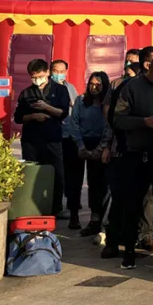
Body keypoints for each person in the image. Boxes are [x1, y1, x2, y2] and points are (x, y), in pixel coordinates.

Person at [111, 52, 153, 269]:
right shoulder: (132, 87)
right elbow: (118, 119)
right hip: (137, 154)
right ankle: (129, 251)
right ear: (150, 68)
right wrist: (143, 122)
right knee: (132, 205)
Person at [14, 58, 72, 217]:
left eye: (39, 76)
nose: (37, 80)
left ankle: (56, 208)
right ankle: (33, 207)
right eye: (33, 77)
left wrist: (46, 107)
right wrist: (33, 116)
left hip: (52, 138)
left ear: (47, 72)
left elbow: (63, 113)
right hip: (31, 141)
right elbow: (18, 118)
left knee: (56, 173)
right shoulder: (26, 93)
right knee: (31, 173)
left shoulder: (60, 90)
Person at [66, 72, 110, 238]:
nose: (94, 87)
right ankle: (74, 215)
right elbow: (74, 123)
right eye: (91, 84)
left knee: (97, 183)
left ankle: (96, 219)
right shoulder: (81, 100)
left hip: (99, 145)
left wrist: (101, 148)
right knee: (74, 180)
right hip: (80, 143)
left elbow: (109, 126)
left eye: (98, 85)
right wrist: (80, 146)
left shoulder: (107, 104)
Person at [50, 59, 80, 223]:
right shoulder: (47, 88)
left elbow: (75, 108)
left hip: (68, 134)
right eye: (56, 70)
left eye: (62, 71)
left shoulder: (70, 88)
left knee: (69, 170)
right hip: (54, 135)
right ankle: (56, 205)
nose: (59, 74)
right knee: (56, 171)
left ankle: (70, 201)